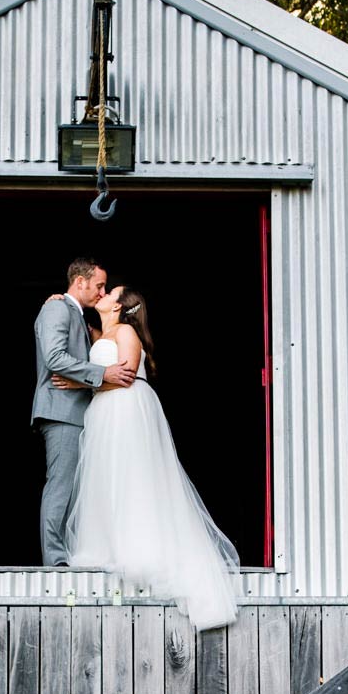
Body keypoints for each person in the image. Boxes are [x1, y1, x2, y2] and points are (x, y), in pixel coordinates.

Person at [63, 286, 243, 630]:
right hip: (104, 412)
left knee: (133, 475)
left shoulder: (127, 331)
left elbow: (127, 374)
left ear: (119, 305)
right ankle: (109, 545)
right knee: (107, 478)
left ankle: (142, 548)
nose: (102, 293)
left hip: (126, 406)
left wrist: (81, 384)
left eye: (109, 291)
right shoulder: (100, 332)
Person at [31, 258, 136, 566]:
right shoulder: (57, 308)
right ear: (80, 282)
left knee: (79, 489)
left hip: (83, 412)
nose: (101, 292)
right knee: (61, 485)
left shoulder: (79, 317)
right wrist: (101, 374)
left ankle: (75, 553)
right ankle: (56, 560)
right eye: (99, 285)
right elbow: (54, 357)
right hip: (62, 411)